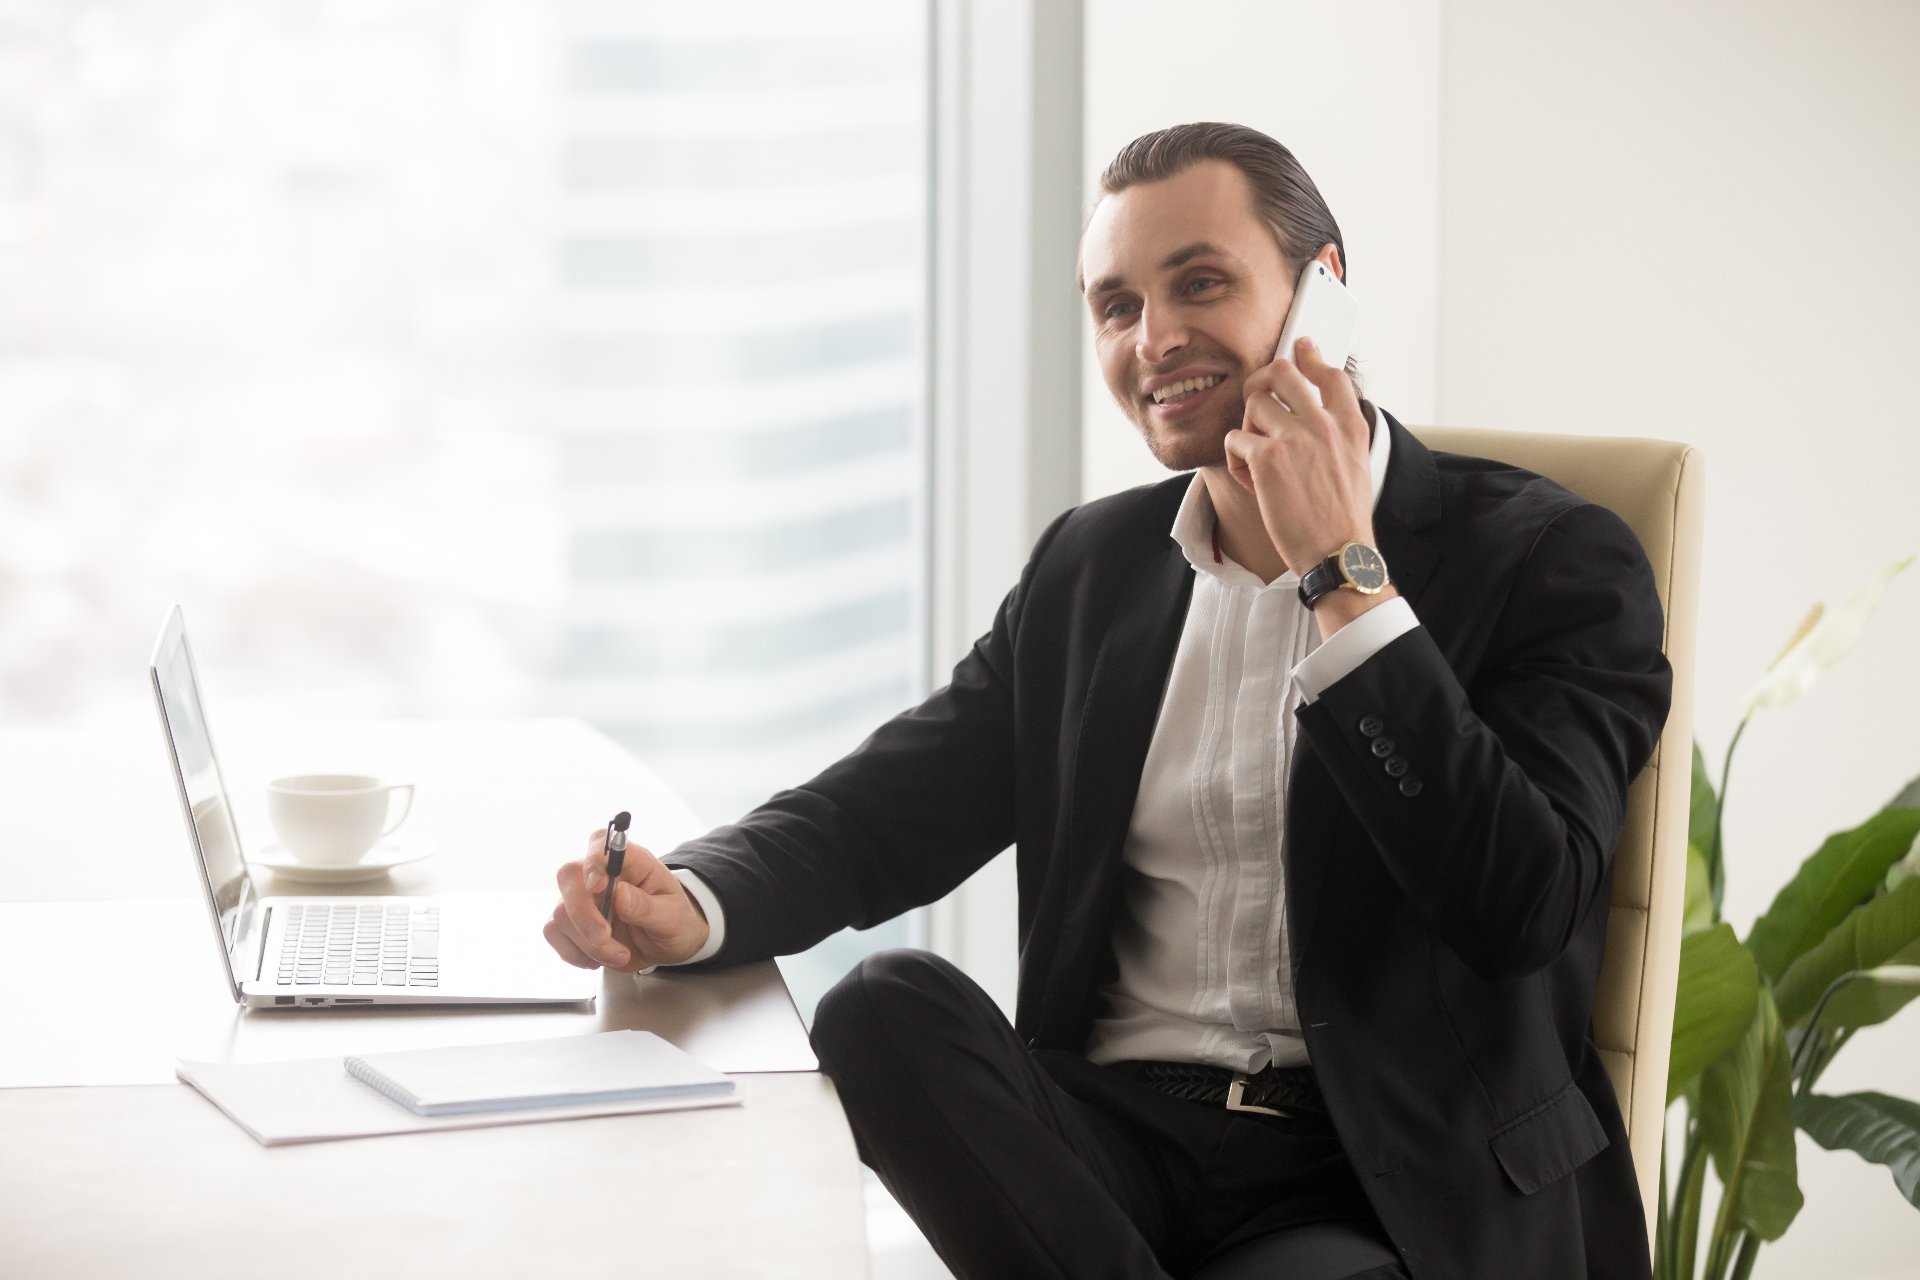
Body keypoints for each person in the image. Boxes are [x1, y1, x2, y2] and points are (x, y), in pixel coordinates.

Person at [543, 122, 1670, 1280]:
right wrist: (695, 895)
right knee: (884, 1008)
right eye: (1116, 304)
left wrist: (1342, 570)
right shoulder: (1093, 568)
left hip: (1381, 1169)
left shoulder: (1554, 560)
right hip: (1116, 1138)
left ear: (1324, 294)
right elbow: (878, 814)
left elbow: (1520, 901)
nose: (1155, 337)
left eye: (1201, 283)